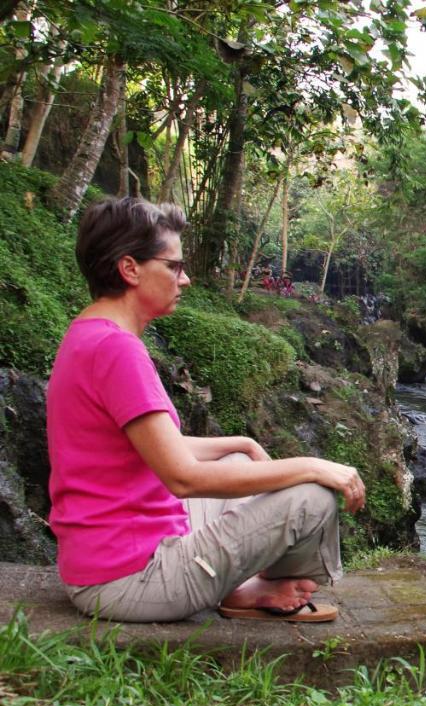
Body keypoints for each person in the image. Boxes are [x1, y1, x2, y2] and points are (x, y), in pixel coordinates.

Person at [46, 196, 366, 623]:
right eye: (174, 266)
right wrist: (312, 465)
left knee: (235, 458)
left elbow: (153, 448)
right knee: (314, 496)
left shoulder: (90, 333)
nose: (186, 279)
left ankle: (239, 587)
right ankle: (272, 582)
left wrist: (243, 442)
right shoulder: (117, 350)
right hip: (129, 580)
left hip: (107, 561)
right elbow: (182, 477)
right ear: (130, 269)